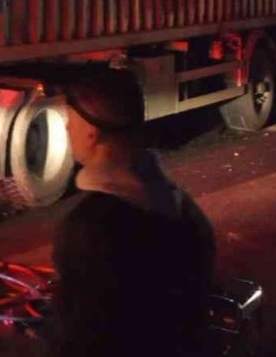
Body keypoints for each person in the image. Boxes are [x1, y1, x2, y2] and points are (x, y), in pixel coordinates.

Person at [49, 68, 217, 357]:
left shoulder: (89, 230)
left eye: (70, 120)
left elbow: (84, 337)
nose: (66, 128)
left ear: (91, 132)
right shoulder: (182, 209)